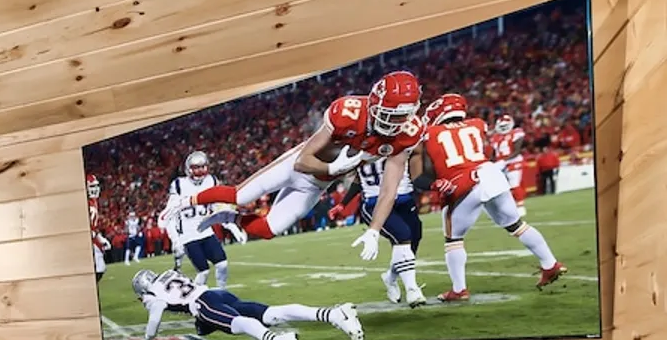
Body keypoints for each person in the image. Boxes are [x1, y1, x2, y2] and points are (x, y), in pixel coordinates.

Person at [183, 71, 426, 283]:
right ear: (374, 105)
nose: (398, 122)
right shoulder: (348, 113)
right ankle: (185, 201)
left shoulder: (407, 134)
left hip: (315, 185)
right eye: (392, 115)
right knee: (240, 195)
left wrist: (373, 230)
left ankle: (230, 218)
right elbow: (302, 161)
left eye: (403, 116)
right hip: (295, 167)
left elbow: (388, 191)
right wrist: (332, 169)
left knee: (268, 230)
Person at [412, 93, 565, 300]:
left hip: (463, 181)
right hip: (490, 173)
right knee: (517, 225)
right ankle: (550, 263)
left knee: (453, 239)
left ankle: (459, 289)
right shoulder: (477, 124)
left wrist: (435, 182)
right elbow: (486, 151)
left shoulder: (428, 133)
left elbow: (427, 170)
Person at [132, 268, 364, 340]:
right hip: (217, 294)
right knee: (271, 313)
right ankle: (334, 314)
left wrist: (149, 337)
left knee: (237, 323)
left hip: (203, 303)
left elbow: (156, 315)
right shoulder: (169, 274)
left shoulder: (152, 293)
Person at [331, 154, 427, 306]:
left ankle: (390, 277)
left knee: (414, 237)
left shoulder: (398, 143)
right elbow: (359, 178)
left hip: (404, 199)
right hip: (374, 203)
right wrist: (343, 204)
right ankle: (412, 289)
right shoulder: (361, 149)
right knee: (402, 236)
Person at [160, 151, 231, 288]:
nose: (200, 171)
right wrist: (175, 239)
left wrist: (231, 225)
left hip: (206, 231)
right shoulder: (179, 184)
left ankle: (222, 292)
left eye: (202, 167)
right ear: (188, 169)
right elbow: (169, 214)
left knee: (222, 264)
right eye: (196, 167)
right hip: (188, 236)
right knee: (203, 272)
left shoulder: (211, 181)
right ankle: (195, 297)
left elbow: (218, 206)